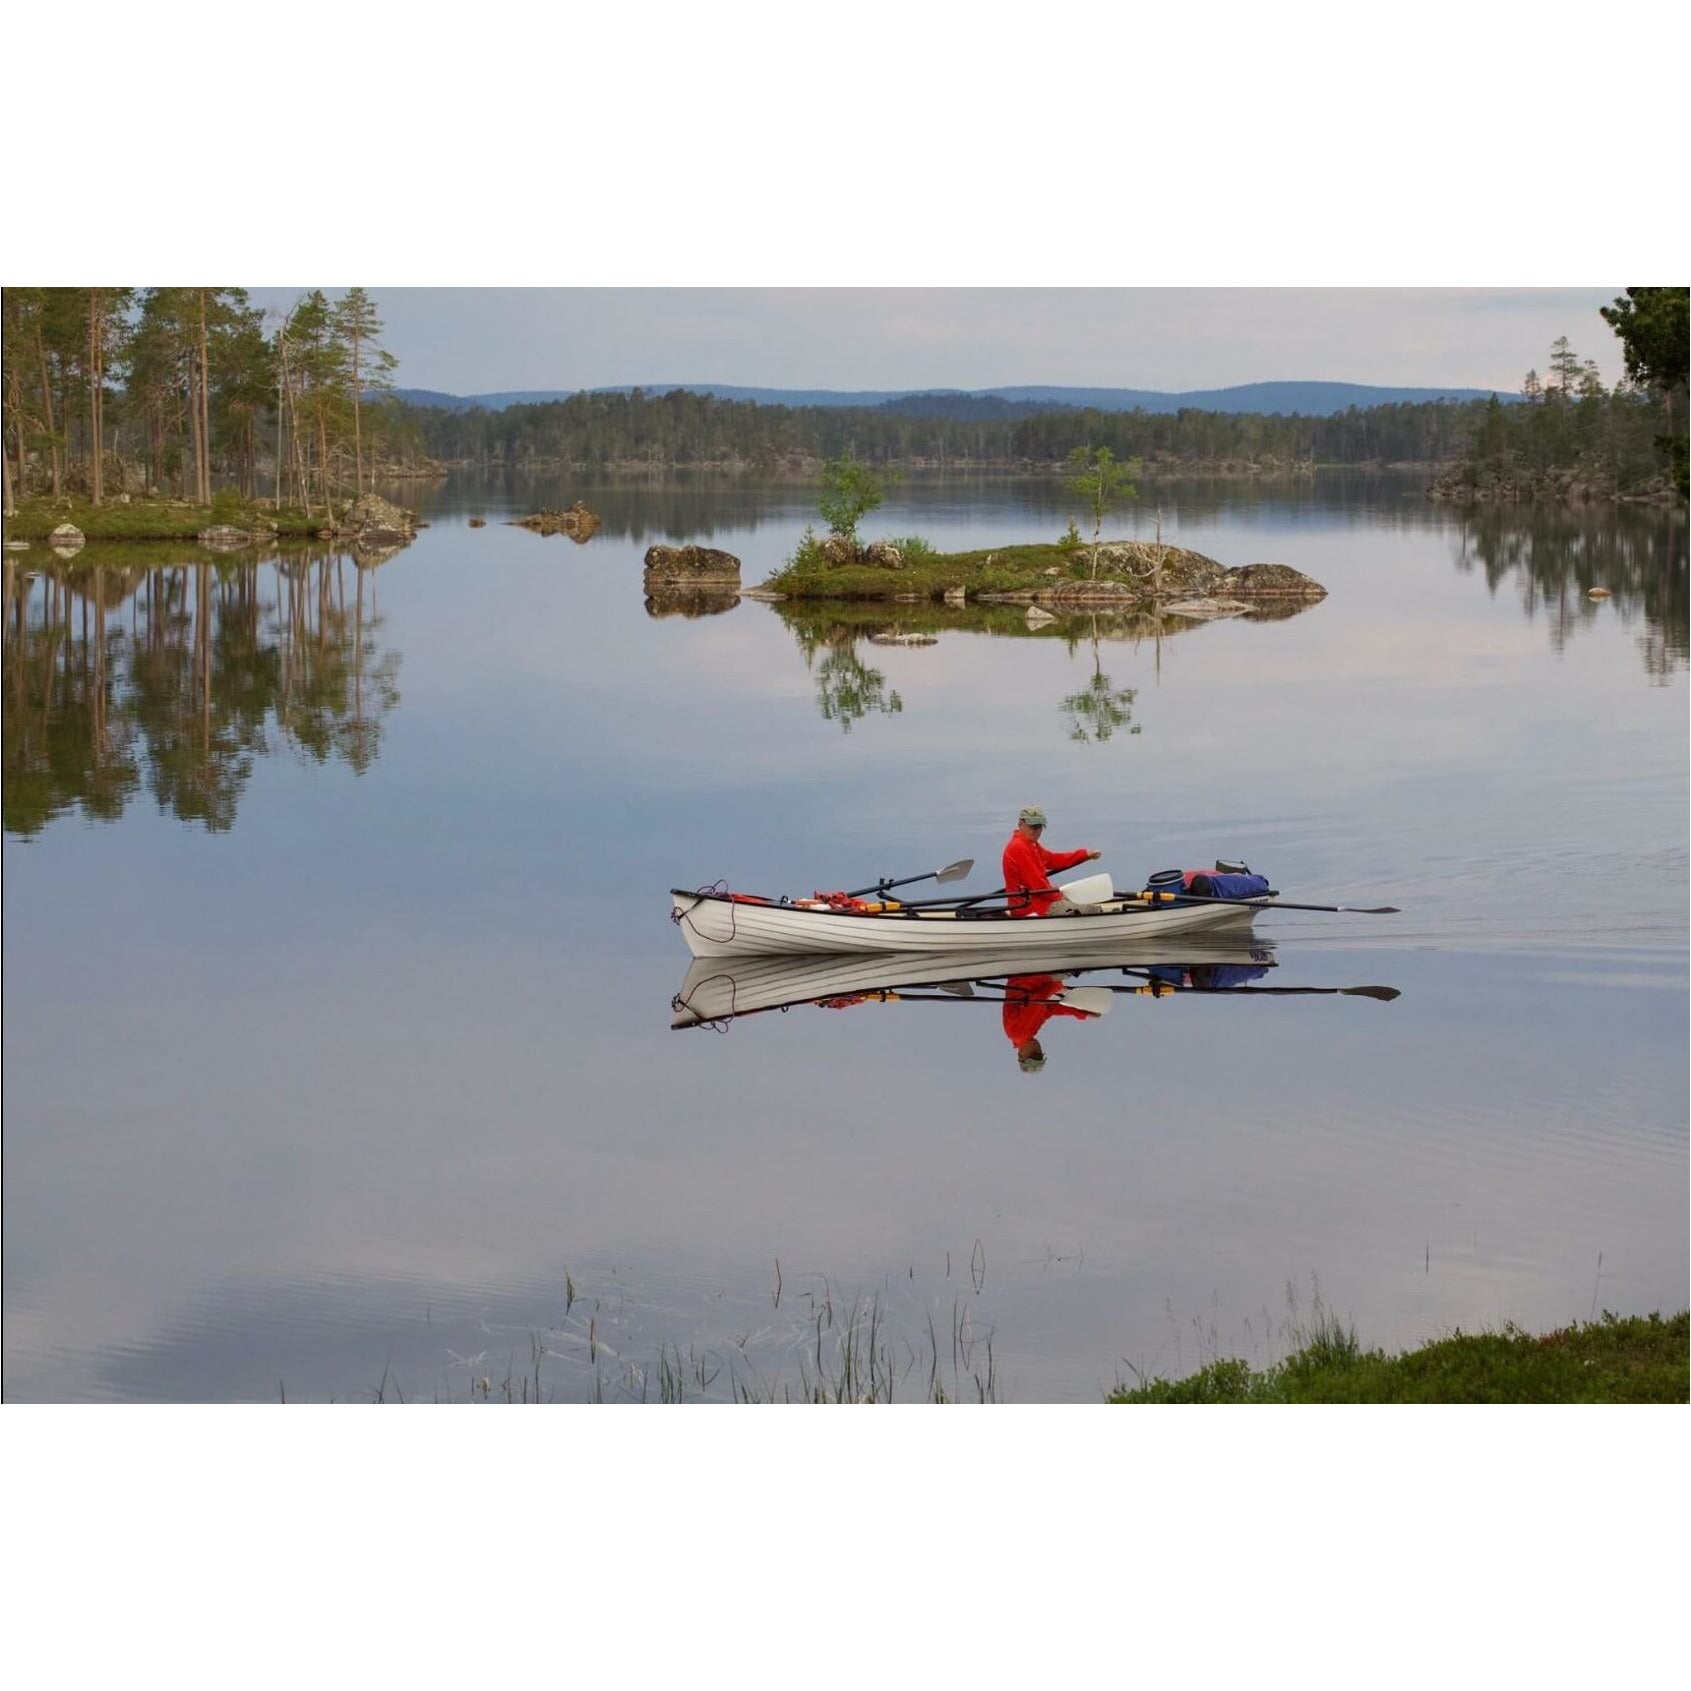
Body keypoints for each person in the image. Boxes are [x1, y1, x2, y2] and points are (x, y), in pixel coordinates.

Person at [1001, 805, 1101, 917]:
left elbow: (1052, 860)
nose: (1037, 831)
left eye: (1039, 827)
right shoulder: (1019, 847)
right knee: (1091, 909)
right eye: (1033, 826)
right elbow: (1038, 885)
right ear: (1021, 824)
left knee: (1079, 902)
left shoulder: (1029, 844)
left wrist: (1084, 855)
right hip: (1031, 907)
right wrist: (1060, 896)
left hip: (1039, 901)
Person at [1001, 972, 1099, 1071]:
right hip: (1029, 978)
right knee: (1078, 970)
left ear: (1020, 1056)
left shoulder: (1020, 1034)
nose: (1037, 1050)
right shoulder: (1026, 1033)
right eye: (1039, 1054)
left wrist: (1056, 986)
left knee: (1079, 967)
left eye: (1033, 1054)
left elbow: (1038, 999)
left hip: (1030, 977)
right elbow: (1049, 1008)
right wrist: (1082, 1013)